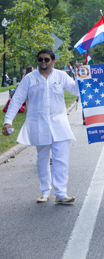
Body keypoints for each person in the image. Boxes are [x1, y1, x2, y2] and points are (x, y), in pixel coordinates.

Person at [2, 49, 80, 204]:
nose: (43, 62)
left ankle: (61, 193)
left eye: (46, 59)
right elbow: (17, 100)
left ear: (53, 61)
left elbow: (76, 90)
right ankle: (45, 191)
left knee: (61, 160)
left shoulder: (61, 76)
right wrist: (7, 121)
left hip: (60, 124)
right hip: (39, 124)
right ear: (37, 61)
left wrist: (79, 74)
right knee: (42, 159)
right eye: (40, 59)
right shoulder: (29, 79)